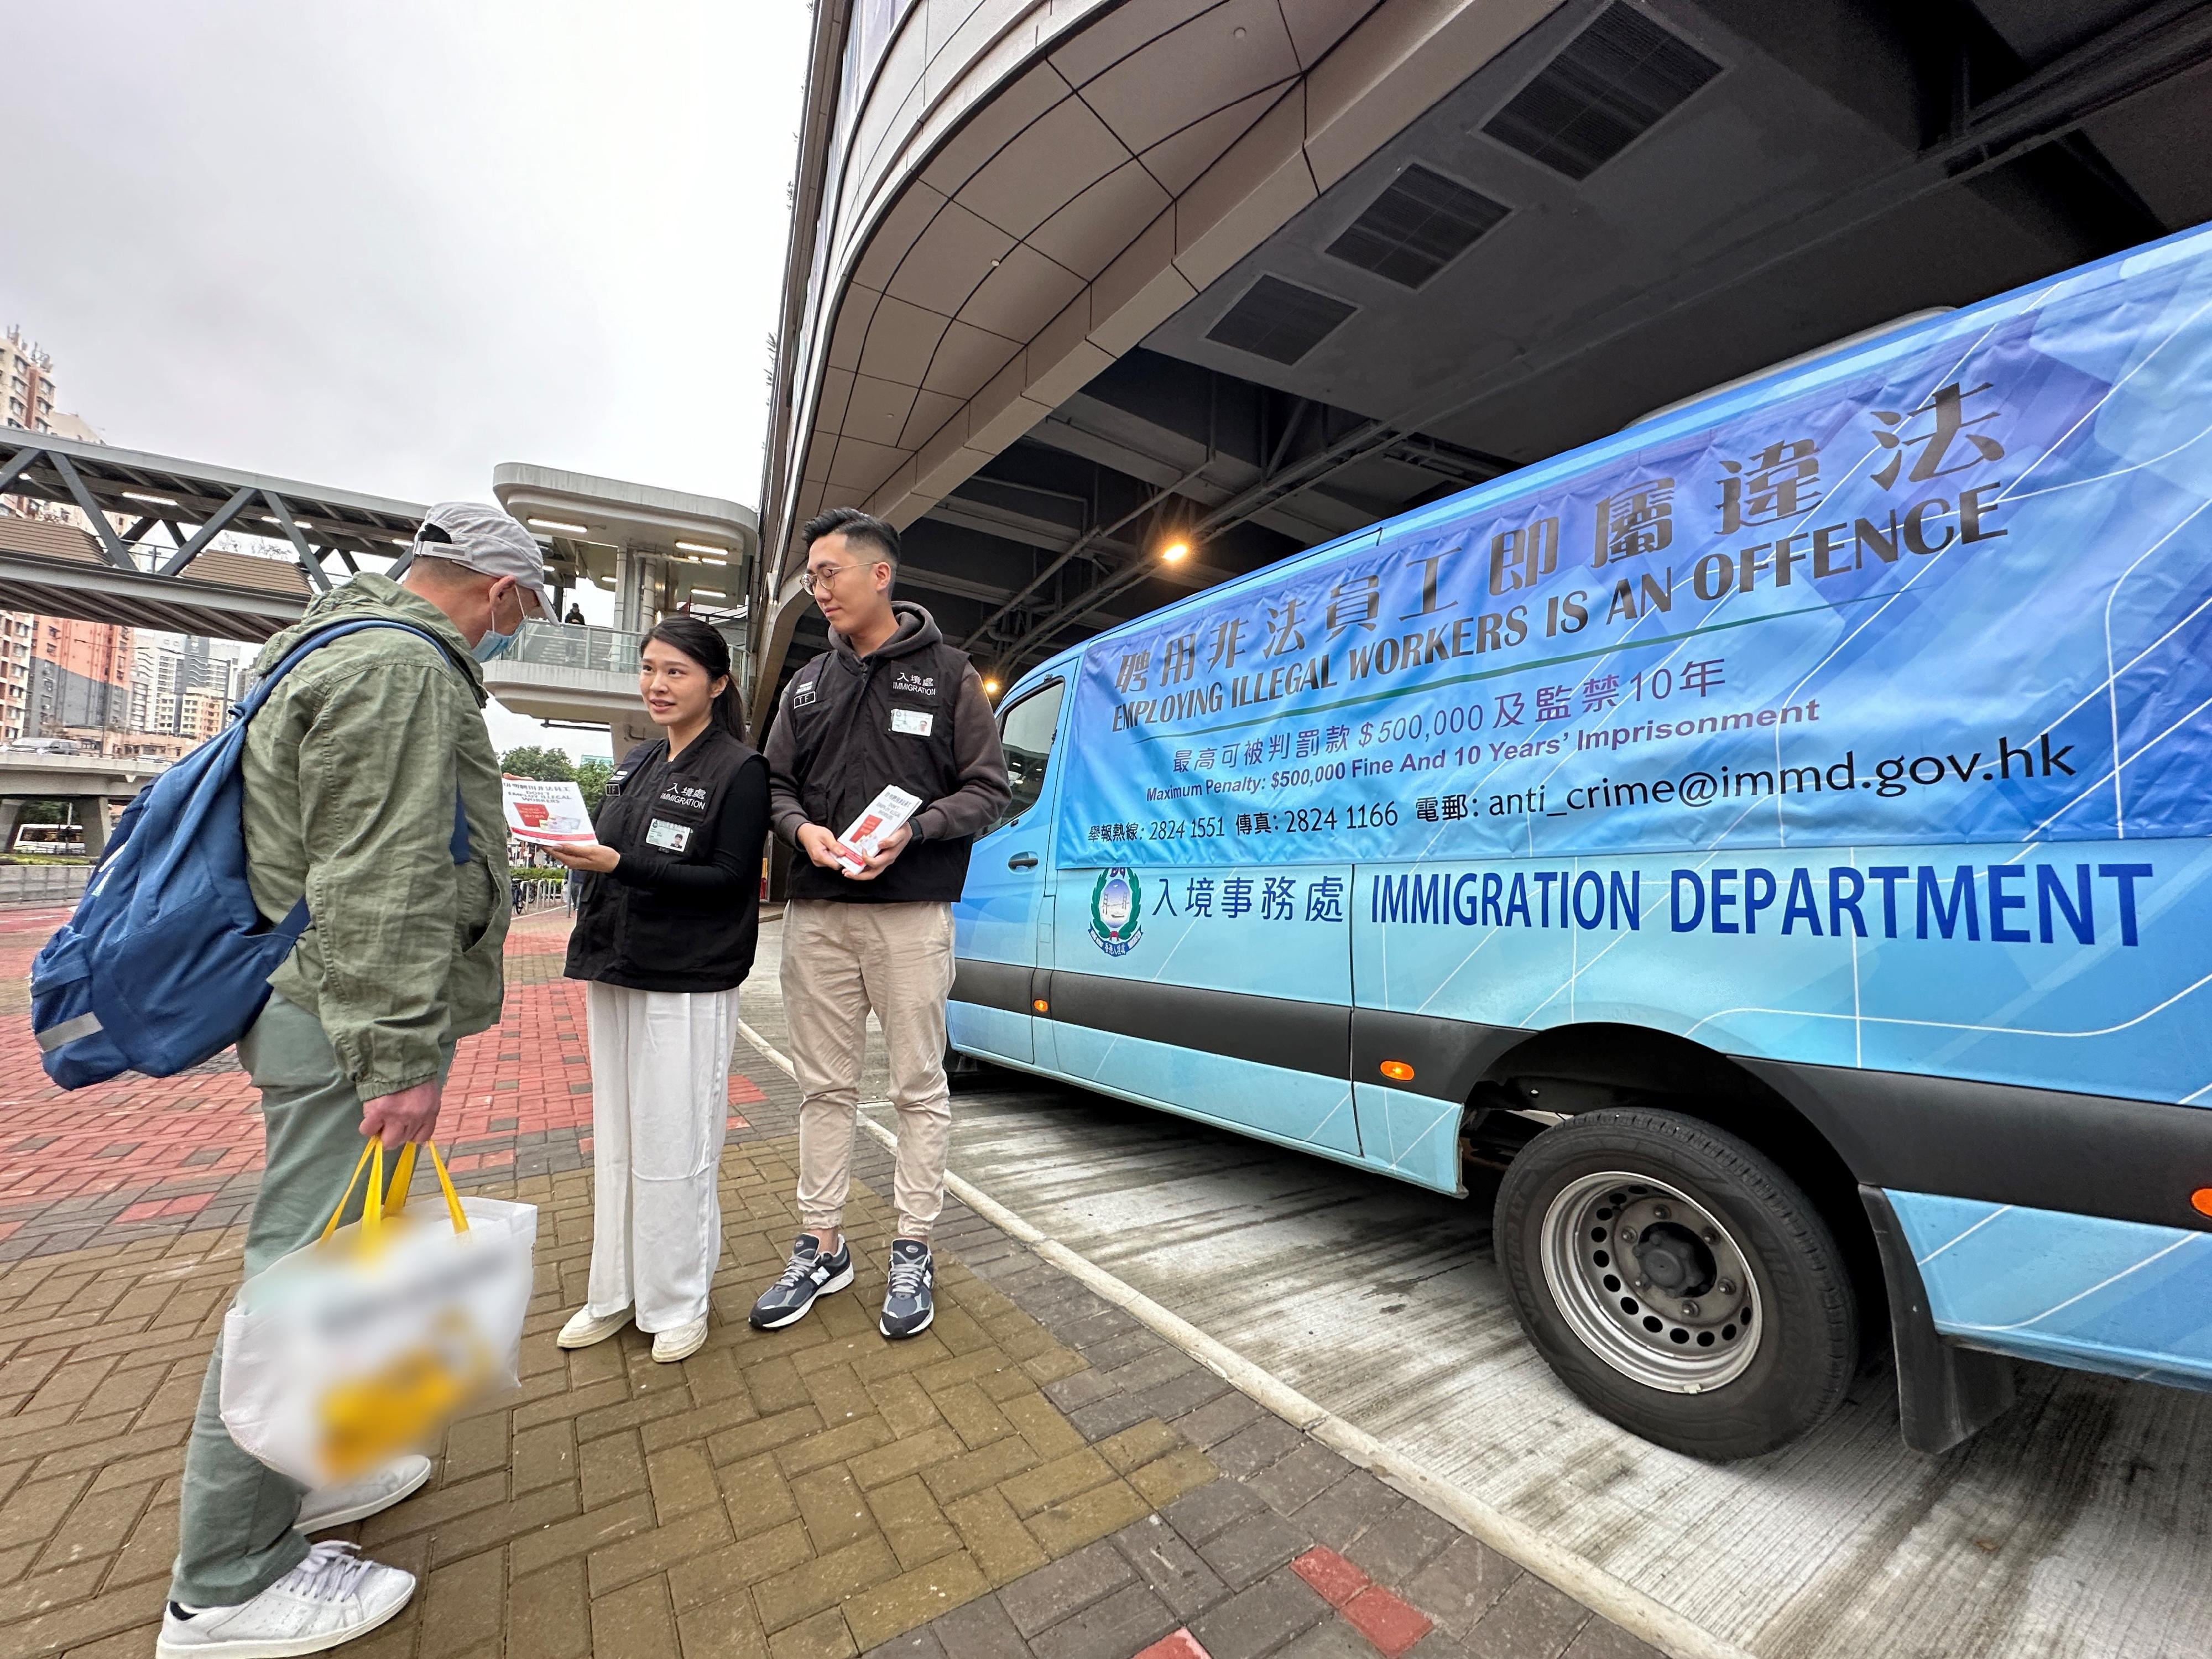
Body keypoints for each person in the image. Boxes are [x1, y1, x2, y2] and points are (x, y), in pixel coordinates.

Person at [161, 503, 555, 1658]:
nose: (512, 633)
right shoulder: (403, 674)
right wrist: (400, 1058)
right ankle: (225, 1584)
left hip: (315, 1008)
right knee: (290, 1289)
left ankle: (307, 1475)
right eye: (522, 612)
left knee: (328, 1266)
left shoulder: (338, 644)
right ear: (495, 592)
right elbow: (381, 872)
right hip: (346, 1026)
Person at [749, 508, 1009, 1340]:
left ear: (879, 576)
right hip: (820, 913)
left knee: (915, 1089)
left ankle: (912, 1245)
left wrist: (917, 830)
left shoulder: (948, 675)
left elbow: (988, 788)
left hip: (910, 914)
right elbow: (775, 786)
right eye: (812, 576)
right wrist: (799, 832)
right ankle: (822, 1244)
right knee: (823, 1088)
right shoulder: (807, 684)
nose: (817, 589)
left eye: (828, 573)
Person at [545, 617, 769, 1363]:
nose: (658, 685)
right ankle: (615, 1290)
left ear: (718, 682)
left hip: (688, 978)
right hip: (616, 966)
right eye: (648, 670)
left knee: (677, 1140)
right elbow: (612, 855)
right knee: (620, 1138)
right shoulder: (632, 765)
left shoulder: (741, 770)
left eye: (676, 671)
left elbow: (730, 880)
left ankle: (679, 1299)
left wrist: (621, 866)